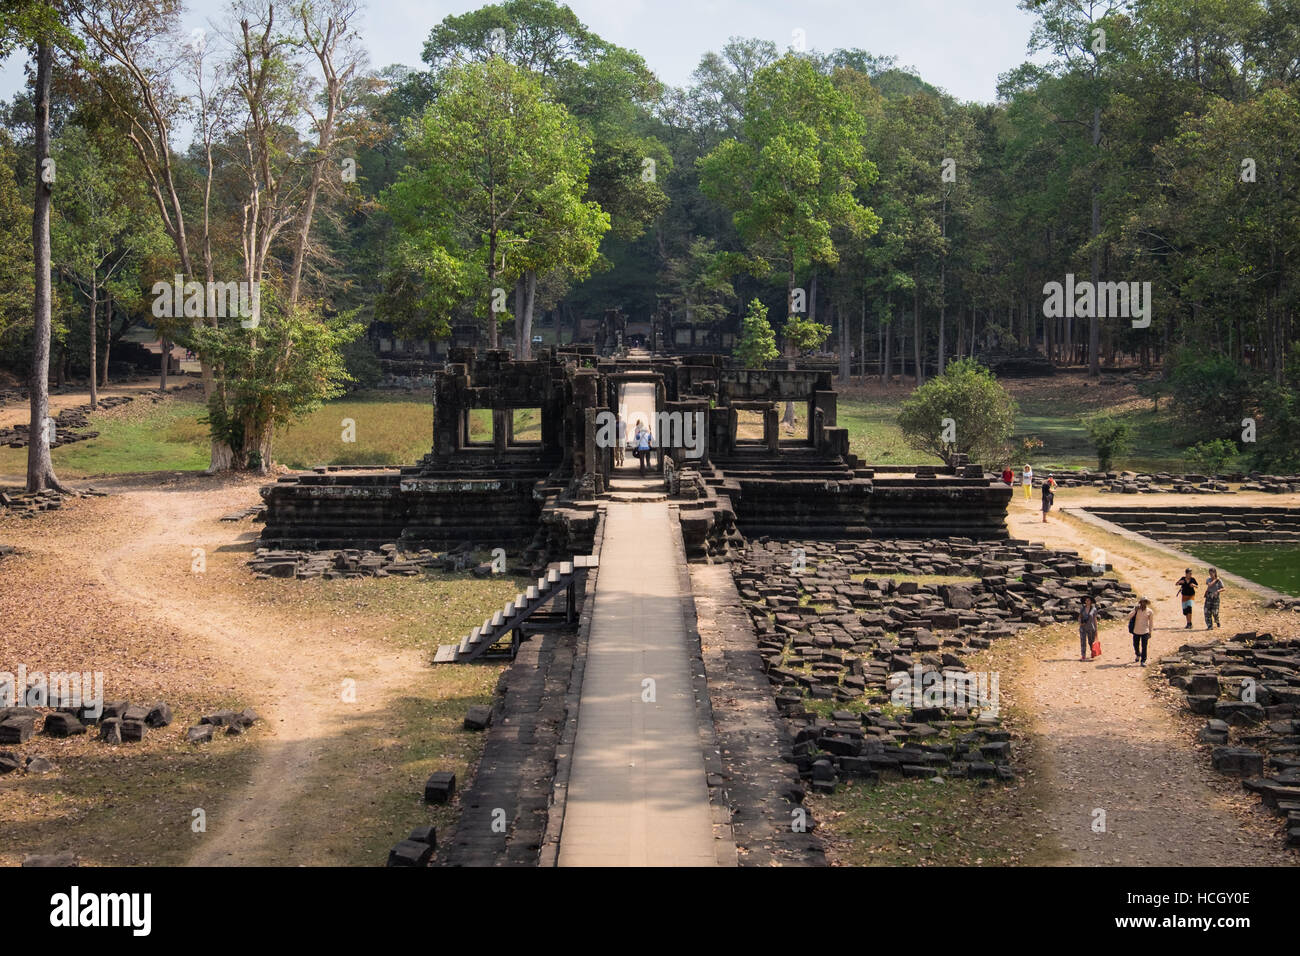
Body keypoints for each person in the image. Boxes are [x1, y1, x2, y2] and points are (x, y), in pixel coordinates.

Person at [1129, 597, 1154, 666]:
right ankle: (1138, 654)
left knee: (1144, 646)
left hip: (1145, 631)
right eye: (1142, 602)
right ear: (1140, 602)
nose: (1143, 603)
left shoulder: (1150, 611)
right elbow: (1129, 616)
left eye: (1145, 602)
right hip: (1136, 630)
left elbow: (1151, 623)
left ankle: (1143, 660)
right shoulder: (1136, 609)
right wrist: (1135, 611)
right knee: (1135, 645)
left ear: (1146, 603)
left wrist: (1150, 632)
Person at [1079, 595, 1099, 661]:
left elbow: (1095, 620)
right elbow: (1079, 617)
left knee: (1091, 641)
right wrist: (1080, 623)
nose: (1087, 601)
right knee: (1083, 642)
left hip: (1091, 628)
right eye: (1086, 600)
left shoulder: (1094, 609)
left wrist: (1096, 630)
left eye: (1088, 600)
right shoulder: (1082, 609)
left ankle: (1092, 652)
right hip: (1083, 628)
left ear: (1091, 601)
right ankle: (1083, 655)